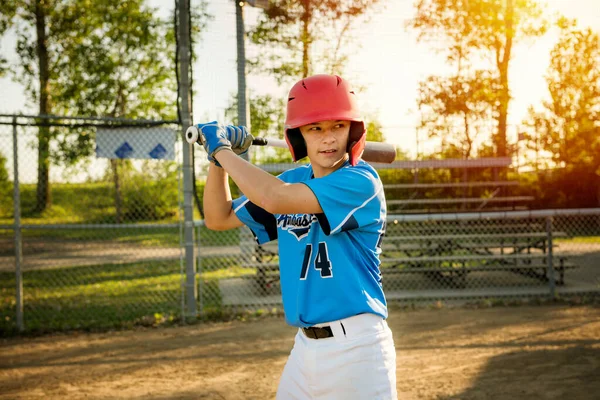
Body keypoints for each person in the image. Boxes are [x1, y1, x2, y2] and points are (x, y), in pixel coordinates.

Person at [199, 74, 397, 399]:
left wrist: (221, 149)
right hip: (304, 349)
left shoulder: (361, 181)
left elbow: (274, 198)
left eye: (337, 126)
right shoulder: (292, 180)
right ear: (298, 135)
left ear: (353, 132)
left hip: (358, 348)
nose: (327, 138)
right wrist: (216, 161)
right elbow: (217, 218)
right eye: (314, 128)